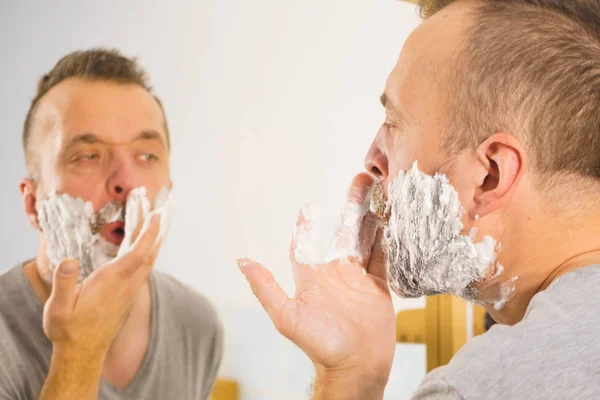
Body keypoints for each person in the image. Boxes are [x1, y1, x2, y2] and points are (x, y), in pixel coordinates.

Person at [238, 0, 600, 398]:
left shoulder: (478, 389)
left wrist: (346, 382)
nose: (373, 160)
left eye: (394, 123)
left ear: (489, 176)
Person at [0, 48, 223, 400]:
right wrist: (79, 351)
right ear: (32, 203)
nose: (126, 181)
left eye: (147, 155)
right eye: (88, 156)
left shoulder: (196, 324)